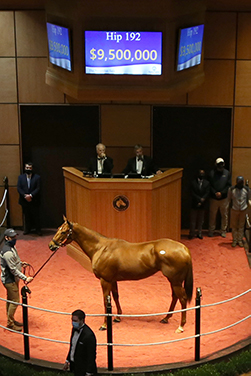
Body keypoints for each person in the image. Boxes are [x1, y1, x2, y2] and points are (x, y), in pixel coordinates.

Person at [0, 228, 33, 331]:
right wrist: (25, 278)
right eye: (12, 237)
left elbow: (14, 263)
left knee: (10, 299)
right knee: (15, 301)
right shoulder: (7, 252)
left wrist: (21, 263)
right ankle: (10, 323)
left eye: (15, 236)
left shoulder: (11, 248)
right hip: (10, 280)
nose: (15, 239)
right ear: (6, 238)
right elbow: (13, 269)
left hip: (12, 279)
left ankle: (11, 320)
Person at [63, 309, 97, 376]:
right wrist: (67, 360)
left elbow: (91, 355)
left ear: (82, 320)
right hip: (76, 367)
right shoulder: (74, 329)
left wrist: (89, 372)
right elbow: (73, 347)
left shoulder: (89, 335)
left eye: (75, 321)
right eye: (72, 320)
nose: (73, 322)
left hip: (84, 369)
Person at [208, 157, 231, 237]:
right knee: (212, 216)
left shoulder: (227, 173)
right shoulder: (211, 173)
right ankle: (211, 230)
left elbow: (228, 185)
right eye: (219, 165)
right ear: (216, 165)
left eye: (222, 164)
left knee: (224, 215)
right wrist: (215, 193)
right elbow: (209, 185)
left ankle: (223, 231)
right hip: (213, 198)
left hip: (224, 198)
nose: (220, 166)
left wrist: (222, 193)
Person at [17, 162, 41, 235]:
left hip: (34, 200)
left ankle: (38, 230)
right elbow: (19, 188)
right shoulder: (20, 177)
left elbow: (38, 188)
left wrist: (30, 195)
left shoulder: (37, 177)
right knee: (26, 215)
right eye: (27, 167)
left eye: (29, 168)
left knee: (36, 215)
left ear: (32, 169)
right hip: (24, 200)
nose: (28, 169)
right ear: (24, 168)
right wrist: (25, 196)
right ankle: (27, 229)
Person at [228, 176, 250, 247]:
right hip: (234, 209)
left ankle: (240, 240)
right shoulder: (231, 189)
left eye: (241, 182)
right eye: (238, 182)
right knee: (234, 226)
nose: (240, 184)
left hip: (243, 209)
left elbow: (248, 199)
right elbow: (229, 199)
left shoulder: (247, 190)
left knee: (241, 226)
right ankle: (234, 240)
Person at [189, 169, 210, 240]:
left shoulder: (207, 183)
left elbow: (207, 192)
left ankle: (199, 233)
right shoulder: (193, 183)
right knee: (193, 220)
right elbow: (192, 193)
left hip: (203, 204)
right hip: (194, 203)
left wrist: (202, 199)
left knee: (201, 220)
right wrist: (199, 199)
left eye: (202, 174)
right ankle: (192, 233)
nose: (201, 175)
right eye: (200, 174)